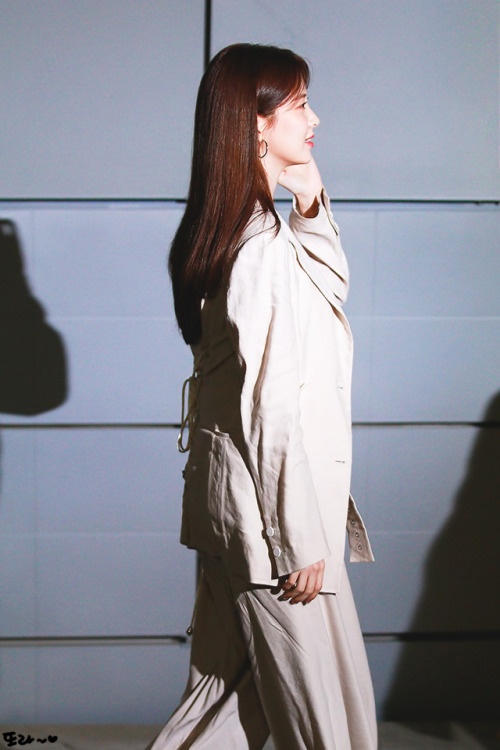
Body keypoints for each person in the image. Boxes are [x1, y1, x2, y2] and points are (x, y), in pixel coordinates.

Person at [147, 43, 377, 750]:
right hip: (276, 531)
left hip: (245, 515)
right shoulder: (257, 247)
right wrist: (297, 540)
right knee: (332, 729)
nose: (316, 119)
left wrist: (309, 198)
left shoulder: (246, 233)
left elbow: (327, 289)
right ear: (255, 123)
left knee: (219, 715)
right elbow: (270, 406)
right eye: (301, 104)